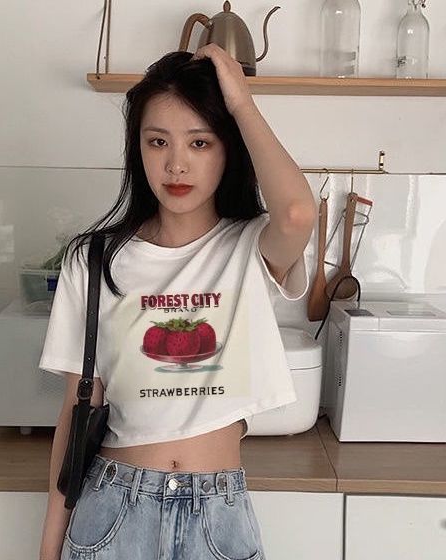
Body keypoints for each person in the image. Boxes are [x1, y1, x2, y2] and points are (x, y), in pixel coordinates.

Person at [38, 44, 316, 560]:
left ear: (227, 149)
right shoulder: (94, 259)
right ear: (138, 149)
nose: (176, 163)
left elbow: (298, 213)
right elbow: (77, 413)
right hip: (112, 511)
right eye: (158, 141)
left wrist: (241, 102)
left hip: (218, 516)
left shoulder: (249, 247)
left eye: (200, 142)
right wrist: (48, 550)